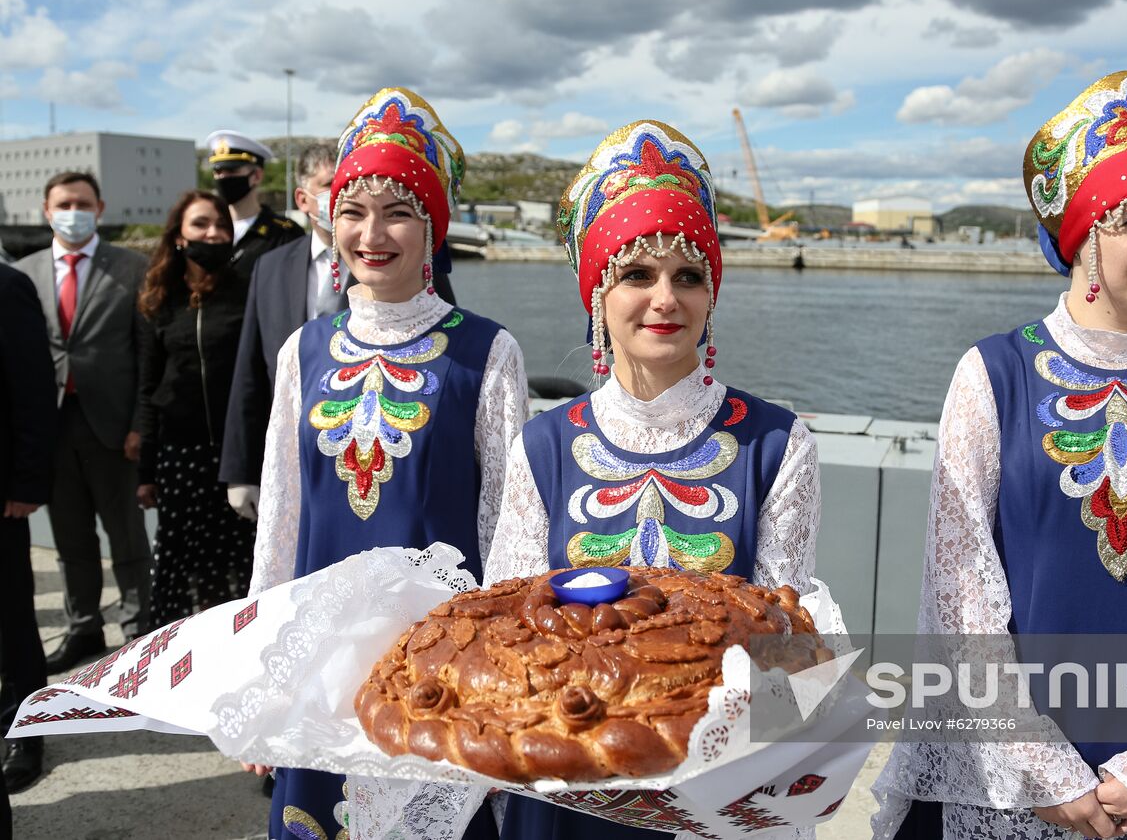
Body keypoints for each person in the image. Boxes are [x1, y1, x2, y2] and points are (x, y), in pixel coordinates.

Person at [871, 72, 1127, 839]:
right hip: (1012, 771)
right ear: (1081, 234)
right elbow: (961, 587)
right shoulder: (992, 374)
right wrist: (1039, 767)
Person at [483, 120, 822, 839]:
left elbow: (787, 642)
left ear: (711, 297)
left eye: (688, 276)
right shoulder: (542, 446)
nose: (665, 298)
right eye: (637, 274)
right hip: (565, 790)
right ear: (599, 294)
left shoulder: (776, 442)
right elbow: (509, 639)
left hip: (717, 795)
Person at [246, 88, 526, 840]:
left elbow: (510, 532)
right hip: (323, 661)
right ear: (328, 219)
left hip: (441, 663)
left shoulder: (487, 352)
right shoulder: (303, 351)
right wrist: (264, 674)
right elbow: (281, 518)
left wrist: (499, 679)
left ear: (433, 226)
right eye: (353, 210)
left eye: (398, 210)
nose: (372, 233)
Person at [219, 143, 456, 522]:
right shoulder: (271, 267)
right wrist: (240, 470)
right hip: (290, 457)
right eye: (332, 185)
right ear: (304, 198)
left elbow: (444, 350)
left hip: (383, 458)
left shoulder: (410, 263)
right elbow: (249, 371)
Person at [12, 171, 152, 672]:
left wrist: (140, 423)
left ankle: (138, 629)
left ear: (100, 207)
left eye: (83, 202)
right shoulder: (23, 272)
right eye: (64, 203)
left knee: (127, 536)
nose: (73, 210)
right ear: (46, 210)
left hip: (113, 427)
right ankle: (83, 626)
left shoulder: (133, 267)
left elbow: (144, 354)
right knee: (71, 539)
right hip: (49, 427)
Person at [135, 190, 253, 624]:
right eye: (201, 224)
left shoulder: (247, 291)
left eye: (222, 225)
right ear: (179, 236)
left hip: (238, 457)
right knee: (188, 571)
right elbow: (148, 386)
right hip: (181, 458)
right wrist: (146, 470)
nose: (213, 233)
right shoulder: (158, 298)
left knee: (240, 568)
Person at [0, 263, 58, 797]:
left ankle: (27, 730)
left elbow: (34, 391)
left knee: (12, 616)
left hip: (3, 500)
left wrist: (26, 481)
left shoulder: (7, 286)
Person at [204, 130, 303, 276]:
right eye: (218, 171)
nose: (222, 177)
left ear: (256, 176)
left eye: (231, 170)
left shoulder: (284, 234)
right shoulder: (206, 231)